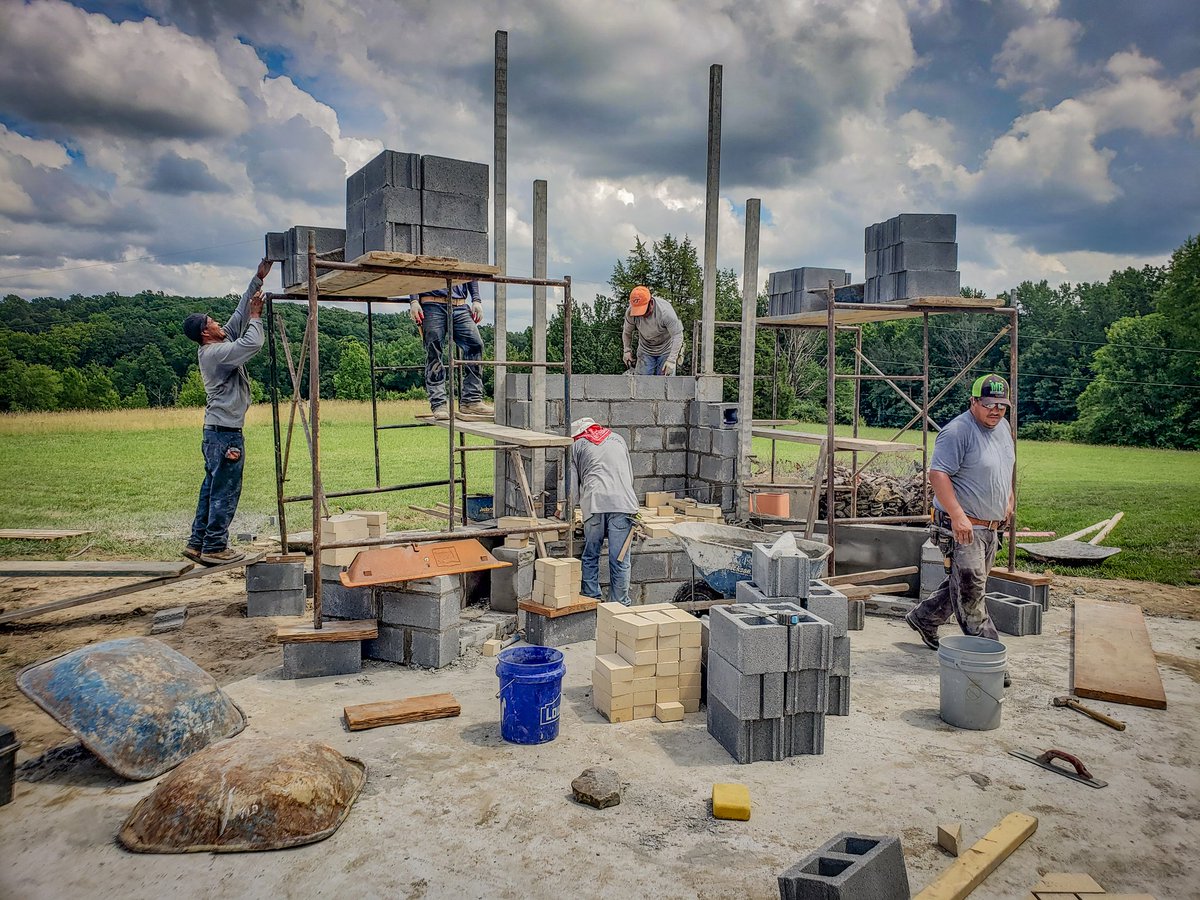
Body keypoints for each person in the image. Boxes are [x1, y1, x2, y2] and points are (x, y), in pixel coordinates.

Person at [906, 373, 1016, 686]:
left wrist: (1008, 499)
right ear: (973, 402)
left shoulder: (1003, 429)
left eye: (1001, 406)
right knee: (972, 594)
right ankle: (989, 659)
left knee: (963, 584)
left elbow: (1006, 467)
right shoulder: (957, 432)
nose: (995, 411)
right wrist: (957, 515)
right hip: (963, 527)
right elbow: (938, 474)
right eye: (989, 404)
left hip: (989, 527)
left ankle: (924, 618)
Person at [181, 258, 272, 565]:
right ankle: (216, 546)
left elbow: (239, 313)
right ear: (206, 334)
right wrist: (257, 317)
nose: (219, 324)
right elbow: (252, 342)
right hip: (225, 435)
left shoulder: (217, 341)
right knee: (226, 491)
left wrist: (258, 280)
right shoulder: (216, 353)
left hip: (215, 433)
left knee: (211, 488)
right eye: (213, 323)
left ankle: (198, 542)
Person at [569, 417, 639, 606]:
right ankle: (619, 606)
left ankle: (591, 599)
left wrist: (566, 512)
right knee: (620, 559)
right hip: (623, 504)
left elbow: (572, 489)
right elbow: (628, 476)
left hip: (594, 503)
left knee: (591, 553)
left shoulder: (576, 446)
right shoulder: (618, 439)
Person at [406, 280, 494, 421]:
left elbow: (470, 270)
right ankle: (439, 403)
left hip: (459, 304)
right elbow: (413, 269)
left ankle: (471, 400)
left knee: (475, 345)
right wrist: (414, 301)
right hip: (431, 304)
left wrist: (476, 299)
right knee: (434, 351)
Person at [622, 285, 684, 375]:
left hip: (666, 349)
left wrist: (671, 360)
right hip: (645, 349)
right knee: (642, 383)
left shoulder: (665, 312)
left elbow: (678, 334)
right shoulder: (630, 313)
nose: (640, 314)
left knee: (665, 384)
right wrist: (627, 350)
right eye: (637, 311)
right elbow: (627, 332)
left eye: (642, 310)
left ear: (650, 302)